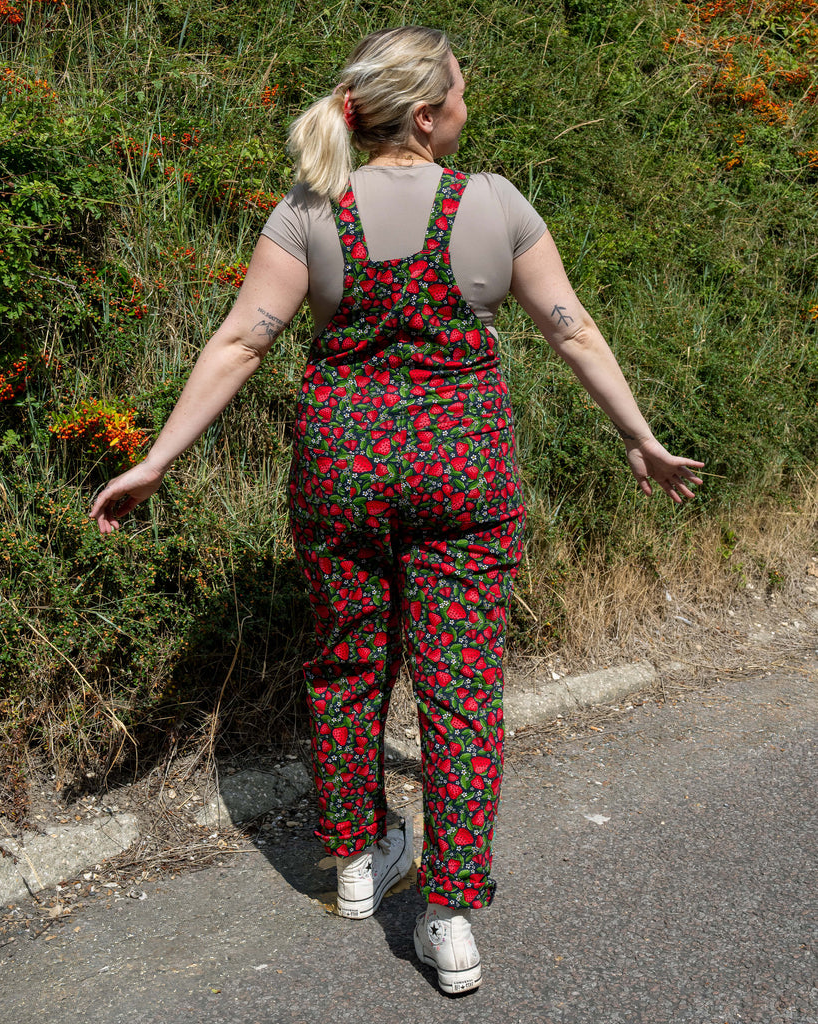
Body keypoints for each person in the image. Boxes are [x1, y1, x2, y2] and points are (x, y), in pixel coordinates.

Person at [90, 26, 704, 996]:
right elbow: (570, 328)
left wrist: (157, 460)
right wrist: (640, 437)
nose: (469, 103)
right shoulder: (493, 203)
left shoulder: (310, 208)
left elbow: (242, 341)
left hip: (341, 469)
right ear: (427, 115)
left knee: (345, 664)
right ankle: (450, 914)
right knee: (459, 687)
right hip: (462, 473)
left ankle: (358, 857)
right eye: (460, 90)